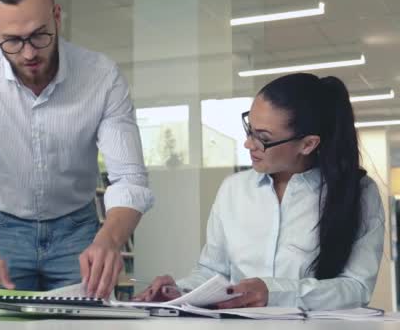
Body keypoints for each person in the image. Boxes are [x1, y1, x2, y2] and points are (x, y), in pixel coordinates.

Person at [0, 0, 153, 298]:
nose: (29, 54)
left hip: (78, 232)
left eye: (39, 35)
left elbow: (129, 178)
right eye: (12, 41)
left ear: (56, 17)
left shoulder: (102, 77)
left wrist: (109, 240)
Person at [134, 73, 384, 310]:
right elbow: (213, 273)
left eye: (262, 137)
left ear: (308, 144)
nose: (248, 143)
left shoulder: (358, 193)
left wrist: (272, 293)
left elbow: (356, 288)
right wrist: (178, 291)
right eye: (249, 128)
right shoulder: (233, 190)